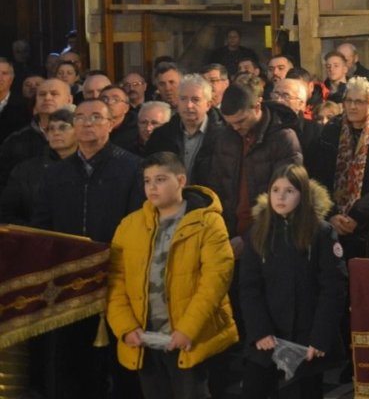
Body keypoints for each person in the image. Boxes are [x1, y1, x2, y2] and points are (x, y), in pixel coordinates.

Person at [35, 97, 144, 399]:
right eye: (80, 118)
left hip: (117, 275)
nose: (86, 123)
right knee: (70, 360)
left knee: (122, 362)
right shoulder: (55, 173)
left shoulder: (132, 167)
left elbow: (139, 224)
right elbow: (42, 226)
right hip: (68, 281)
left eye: (96, 117)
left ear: (111, 124)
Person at [107, 152, 237, 399]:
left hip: (191, 337)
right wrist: (125, 327)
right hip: (145, 337)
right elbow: (115, 281)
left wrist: (187, 329)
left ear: (180, 181)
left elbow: (216, 280)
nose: (152, 187)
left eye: (160, 179)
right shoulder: (130, 224)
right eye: (147, 181)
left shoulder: (208, 222)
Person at [240, 164, 347, 399]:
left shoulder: (321, 233)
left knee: (307, 391)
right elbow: (249, 287)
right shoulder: (259, 232)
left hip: (306, 336)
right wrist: (260, 331)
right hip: (268, 333)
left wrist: (319, 338)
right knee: (254, 389)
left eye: (289, 191)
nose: (281, 196)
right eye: (275, 190)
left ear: (303, 194)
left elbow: (333, 289)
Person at [309, 76, 369, 259]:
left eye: (359, 102)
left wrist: (356, 215)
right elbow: (318, 176)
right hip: (333, 222)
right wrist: (333, 214)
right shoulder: (332, 130)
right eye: (349, 101)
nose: (352, 106)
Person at [203, 80, 303, 252]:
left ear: (257, 107)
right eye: (230, 123)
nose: (235, 127)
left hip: (271, 239)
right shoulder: (226, 137)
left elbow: (286, 197)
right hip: (227, 235)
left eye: (241, 121)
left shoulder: (283, 138)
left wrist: (249, 238)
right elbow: (216, 186)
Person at [0, 107, 75, 224]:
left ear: (78, 131)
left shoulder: (88, 168)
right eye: (51, 129)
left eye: (63, 127)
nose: (56, 133)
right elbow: (6, 213)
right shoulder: (25, 170)